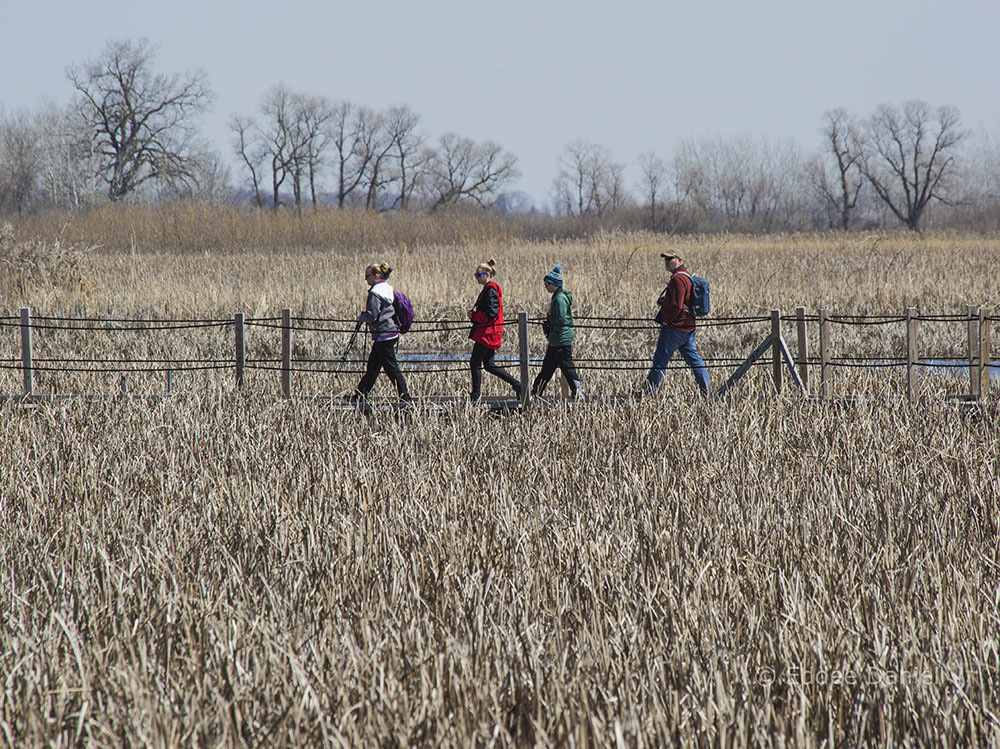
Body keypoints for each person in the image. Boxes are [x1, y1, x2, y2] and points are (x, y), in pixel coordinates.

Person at [644, 252, 710, 396]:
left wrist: (667, 320)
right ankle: (707, 391)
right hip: (688, 327)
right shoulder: (685, 276)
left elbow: (676, 306)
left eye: (671, 259)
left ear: (680, 260)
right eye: (666, 259)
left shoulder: (678, 279)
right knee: (695, 361)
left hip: (674, 328)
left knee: (659, 361)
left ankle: (648, 393)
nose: (667, 262)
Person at [353, 262, 413, 405]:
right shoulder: (387, 290)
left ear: (376, 276)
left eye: (367, 276)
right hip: (390, 332)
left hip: (383, 334)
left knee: (391, 367)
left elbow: (372, 315)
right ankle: (360, 394)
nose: (365, 279)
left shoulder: (375, 293)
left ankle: (405, 397)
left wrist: (362, 317)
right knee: (373, 367)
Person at [467, 259, 522, 403]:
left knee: (475, 362)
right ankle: (517, 385)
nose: (476, 277)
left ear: (488, 275)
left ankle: (475, 396)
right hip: (489, 333)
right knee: (489, 364)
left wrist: (473, 315)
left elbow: (491, 314)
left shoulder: (491, 290)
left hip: (488, 333)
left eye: (478, 275)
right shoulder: (489, 289)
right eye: (476, 275)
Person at [531, 264, 582, 399]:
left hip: (560, 339)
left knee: (566, 366)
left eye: (547, 283)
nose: (545, 286)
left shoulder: (559, 299)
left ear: (554, 284)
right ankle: (536, 393)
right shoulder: (558, 297)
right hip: (556, 339)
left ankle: (578, 391)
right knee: (547, 368)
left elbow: (560, 320)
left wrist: (551, 329)